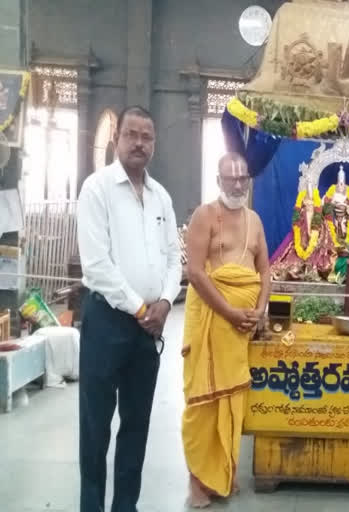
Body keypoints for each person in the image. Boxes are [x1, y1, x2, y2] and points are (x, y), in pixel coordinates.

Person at [77, 106, 182, 512]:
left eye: (147, 137)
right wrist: (143, 308)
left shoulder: (161, 197)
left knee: (136, 427)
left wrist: (164, 302)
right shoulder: (97, 189)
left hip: (147, 331)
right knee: (95, 427)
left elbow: (175, 259)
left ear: (154, 144)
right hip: (107, 323)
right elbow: (97, 267)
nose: (139, 143)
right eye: (131, 134)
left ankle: (125, 506)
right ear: (116, 139)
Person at [181, 152, 271, 507]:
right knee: (203, 404)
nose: (237, 184)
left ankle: (225, 475)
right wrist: (231, 312)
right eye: (230, 178)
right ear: (218, 180)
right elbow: (196, 274)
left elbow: (265, 271)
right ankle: (199, 480)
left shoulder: (255, 220)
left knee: (233, 400)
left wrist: (259, 310)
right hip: (213, 321)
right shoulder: (205, 216)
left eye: (242, 178)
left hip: (241, 327)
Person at [270, 181, 336, 282]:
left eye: (311, 205)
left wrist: (315, 240)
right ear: (304, 205)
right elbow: (297, 236)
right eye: (307, 205)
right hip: (300, 250)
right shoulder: (301, 217)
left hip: (316, 251)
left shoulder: (319, 220)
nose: (309, 207)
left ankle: (312, 268)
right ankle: (303, 268)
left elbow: (323, 239)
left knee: (324, 265)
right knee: (293, 266)